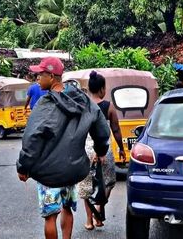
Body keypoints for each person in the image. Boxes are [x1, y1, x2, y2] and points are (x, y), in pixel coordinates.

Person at [17, 57, 110, 239]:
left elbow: (31, 140)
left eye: (40, 74)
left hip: (48, 173)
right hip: (72, 170)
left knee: (50, 217)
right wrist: (101, 151)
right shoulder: (82, 100)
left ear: (51, 77)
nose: (37, 78)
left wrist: (23, 167)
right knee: (67, 208)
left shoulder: (44, 105)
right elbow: (101, 129)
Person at [77, 71, 126, 231]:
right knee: (109, 182)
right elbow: (116, 130)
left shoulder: (82, 106)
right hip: (104, 151)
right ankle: (99, 211)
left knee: (86, 186)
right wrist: (122, 148)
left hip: (87, 152)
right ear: (102, 89)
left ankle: (90, 221)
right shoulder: (108, 106)